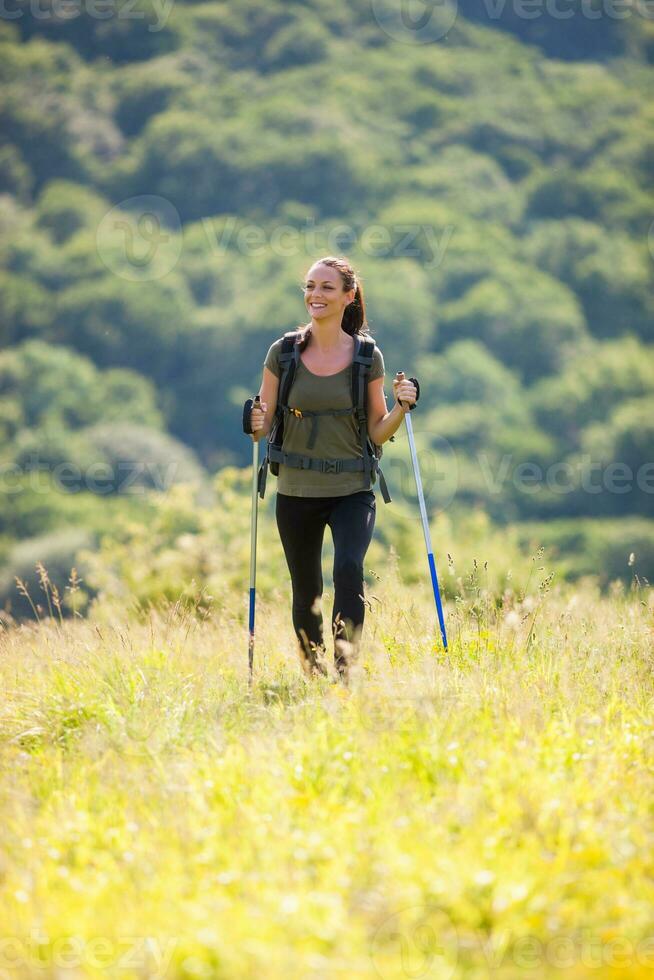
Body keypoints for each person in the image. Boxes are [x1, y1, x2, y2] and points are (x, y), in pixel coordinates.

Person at [248, 255, 417, 682]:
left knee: (347, 570)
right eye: (309, 286)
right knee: (306, 591)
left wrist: (402, 406)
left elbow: (378, 432)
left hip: (351, 488)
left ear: (348, 295)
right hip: (296, 490)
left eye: (325, 287)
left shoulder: (365, 356)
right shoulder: (283, 352)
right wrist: (252, 419)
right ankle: (313, 672)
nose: (315, 295)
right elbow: (263, 424)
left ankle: (345, 674)